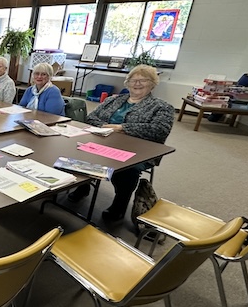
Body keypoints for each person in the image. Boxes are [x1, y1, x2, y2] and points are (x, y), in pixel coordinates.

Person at [68, 64, 174, 224]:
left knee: (128, 170)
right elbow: (91, 118)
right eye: (133, 80)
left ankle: (119, 205)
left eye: (143, 80)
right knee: (76, 151)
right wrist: (105, 127)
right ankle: (84, 186)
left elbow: (159, 130)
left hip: (139, 151)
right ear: (127, 82)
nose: (137, 83)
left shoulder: (162, 107)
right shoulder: (113, 100)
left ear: (152, 83)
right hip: (102, 141)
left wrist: (122, 128)